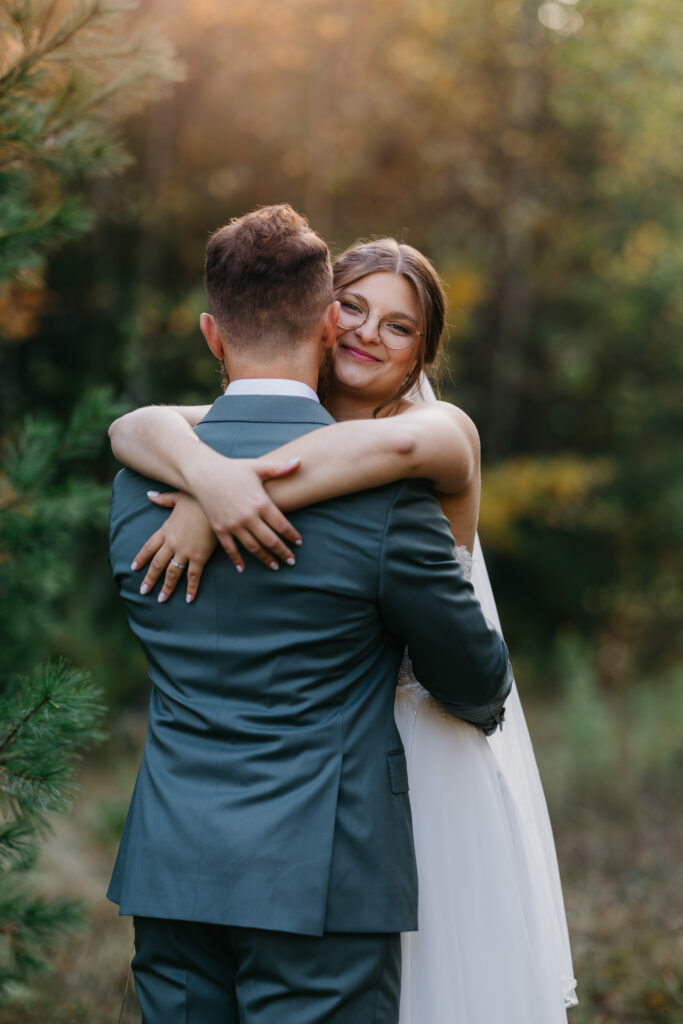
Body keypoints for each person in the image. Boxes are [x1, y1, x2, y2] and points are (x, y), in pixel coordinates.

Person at [110, 225, 578, 1021]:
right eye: (353, 308)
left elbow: (139, 433)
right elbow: (138, 421)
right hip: (327, 857)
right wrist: (207, 478)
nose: (367, 331)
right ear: (323, 319)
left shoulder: (137, 490)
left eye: (397, 326)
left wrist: (215, 490)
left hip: (187, 854)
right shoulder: (376, 505)